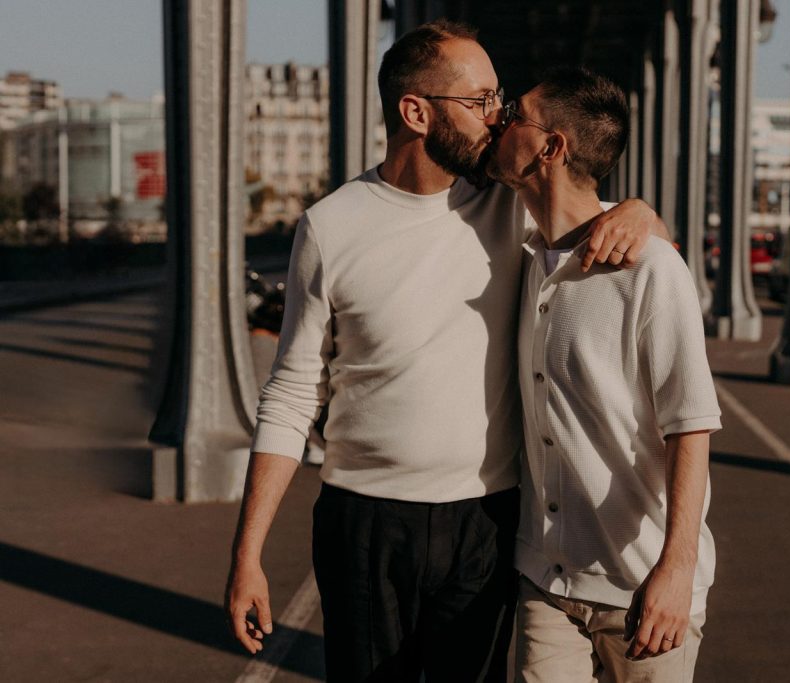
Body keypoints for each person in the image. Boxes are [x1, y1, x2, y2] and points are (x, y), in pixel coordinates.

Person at [224, 20, 666, 683]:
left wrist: (638, 208)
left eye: (501, 99)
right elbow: (291, 393)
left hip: (484, 520)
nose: (498, 118)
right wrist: (247, 551)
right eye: (481, 100)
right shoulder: (331, 225)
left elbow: (625, 232)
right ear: (415, 111)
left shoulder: (511, 208)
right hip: (362, 519)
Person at [486, 66, 721, 682]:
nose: (499, 122)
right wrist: (638, 209)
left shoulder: (650, 271)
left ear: (551, 146)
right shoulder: (522, 248)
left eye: (515, 114)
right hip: (545, 577)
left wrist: (676, 569)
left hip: (643, 585)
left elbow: (690, 427)